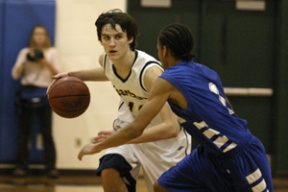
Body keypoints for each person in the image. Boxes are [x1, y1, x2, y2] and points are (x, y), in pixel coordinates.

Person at [78, 23, 274, 192]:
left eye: (158, 50)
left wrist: (99, 145)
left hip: (239, 153)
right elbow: (230, 113)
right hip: (209, 152)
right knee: (164, 186)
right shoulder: (207, 72)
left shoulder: (167, 80)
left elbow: (137, 127)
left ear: (164, 51)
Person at [51, 9, 191, 192]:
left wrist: (121, 137)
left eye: (118, 37)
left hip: (165, 143)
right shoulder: (107, 61)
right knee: (109, 169)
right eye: (106, 37)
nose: (112, 43)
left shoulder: (149, 73)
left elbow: (171, 128)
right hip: (132, 132)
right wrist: (72, 76)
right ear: (100, 40)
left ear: (130, 39)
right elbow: (110, 73)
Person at [11, 25, 60, 178]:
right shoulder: (25, 52)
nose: (39, 37)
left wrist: (45, 61)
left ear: (46, 36)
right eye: (36, 34)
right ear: (32, 36)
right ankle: (21, 167)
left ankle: (50, 168)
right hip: (26, 93)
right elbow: (15, 75)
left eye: (42, 34)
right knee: (23, 133)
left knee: (47, 133)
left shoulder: (52, 52)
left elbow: (59, 74)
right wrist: (25, 61)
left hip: (45, 94)